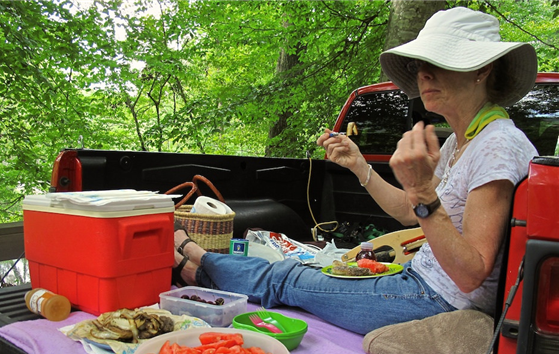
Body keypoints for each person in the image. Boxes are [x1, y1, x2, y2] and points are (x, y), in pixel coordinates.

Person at [171, 7, 539, 335]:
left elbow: (471, 272)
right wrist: (360, 166)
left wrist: (425, 192)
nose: (424, 74)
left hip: (437, 301)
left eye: (439, 62)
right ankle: (202, 265)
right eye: (420, 64)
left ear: (481, 71)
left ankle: (196, 265)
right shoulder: (462, 141)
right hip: (419, 280)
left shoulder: (497, 144)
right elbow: (412, 213)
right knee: (315, 266)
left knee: (288, 277)